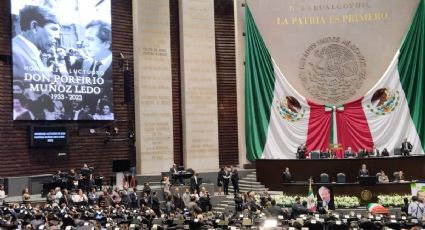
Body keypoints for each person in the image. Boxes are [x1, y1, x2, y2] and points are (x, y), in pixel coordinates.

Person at [12, 5, 60, 81]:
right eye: (54, 29)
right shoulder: (14, 54)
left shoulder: (28, 50)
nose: (58, 36)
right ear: (34, 27)